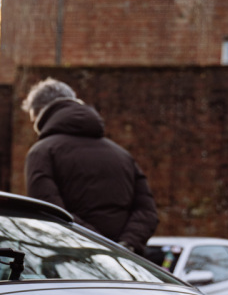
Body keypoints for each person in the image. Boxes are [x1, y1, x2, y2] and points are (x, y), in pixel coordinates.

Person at [21, 78, 159, 259]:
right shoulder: (122, 154)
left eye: (33, 120)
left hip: (72, 266)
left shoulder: (42, 153)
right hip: (125, 268)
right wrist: (125, 246)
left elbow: (51, 214)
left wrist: (98, 247)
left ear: (39, 113)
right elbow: (147, 211)